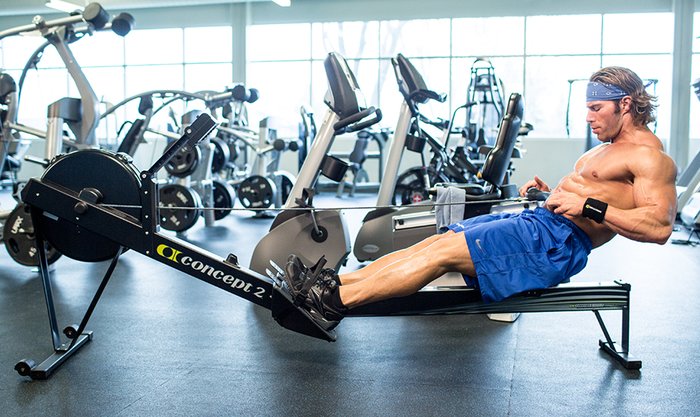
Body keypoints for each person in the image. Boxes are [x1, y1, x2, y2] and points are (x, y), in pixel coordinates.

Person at [282, 66, 678, 331]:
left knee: (440, 256)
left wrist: (586, 205)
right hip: (540, 223)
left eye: (596, 108)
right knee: (434, 243)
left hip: (556, 244)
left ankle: (332, 302)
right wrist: (548, 191)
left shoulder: (650, 157)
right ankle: (331, 283)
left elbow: (658, 227)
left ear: (625, 104)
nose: (589, 117)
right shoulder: (608, 149)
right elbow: (592, 193)